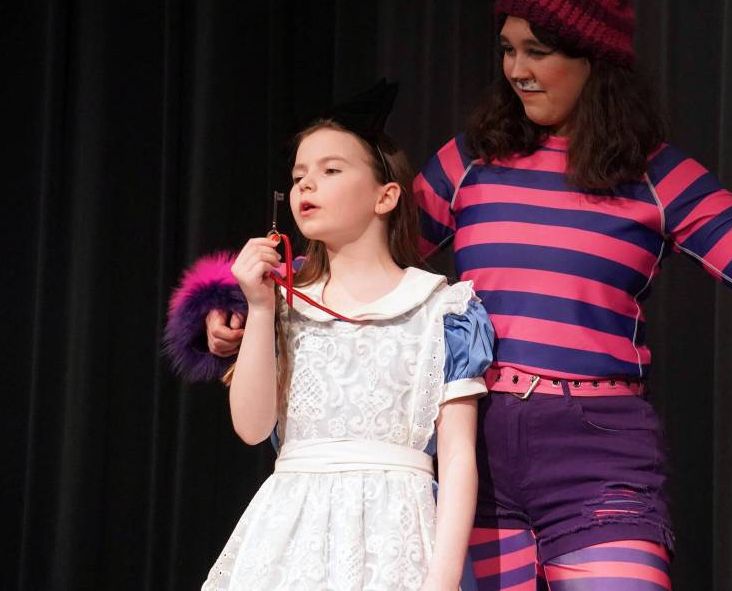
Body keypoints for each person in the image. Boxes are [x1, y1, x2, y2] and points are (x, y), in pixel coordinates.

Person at [176, 0, 732, 590]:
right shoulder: (472, 160)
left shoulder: (660, 178)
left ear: (595, 58)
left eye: (539, 51)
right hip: (480, 449)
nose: (518, 70)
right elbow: (363, 263)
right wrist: (239, 313)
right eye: (508, 49)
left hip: (595, 451)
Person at [166, 81, 494, 590]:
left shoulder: (443, 309)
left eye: (330, 170)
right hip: (290, 535)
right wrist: (257, 306)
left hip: (396, 538)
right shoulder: (281, 299)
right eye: (299, 176)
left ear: (385, 196)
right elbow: (253, 428)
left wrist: (444, 580)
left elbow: (457, 458)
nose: (306, 186)